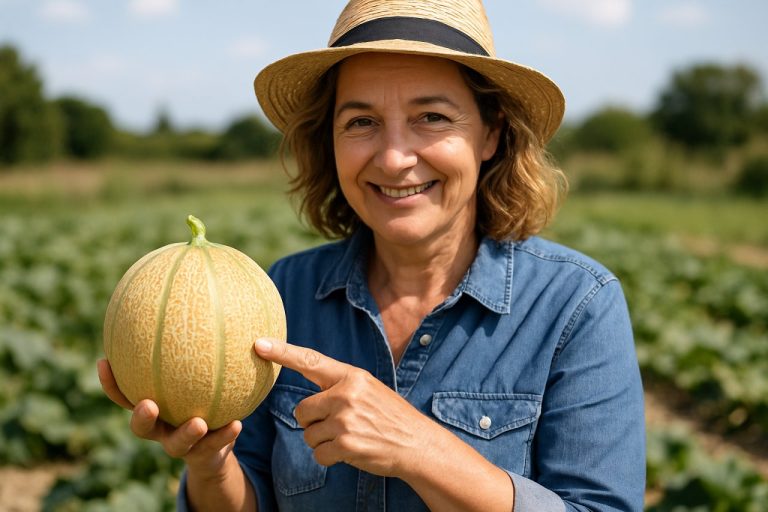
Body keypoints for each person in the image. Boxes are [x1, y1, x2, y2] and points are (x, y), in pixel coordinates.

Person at [98, 0, 646, 510]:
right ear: (329, 141)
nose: (393, 157)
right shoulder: (283, 292)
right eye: (361, 122)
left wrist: (421, 449)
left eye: (431, 117)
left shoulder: (577, 305)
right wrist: (209, 462)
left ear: (490, 135)